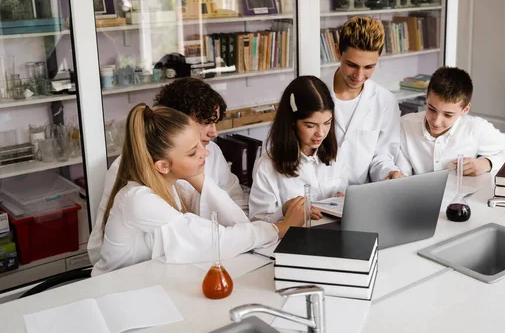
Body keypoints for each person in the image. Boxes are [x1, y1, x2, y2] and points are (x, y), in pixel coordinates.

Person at [91, 104, 305, 276]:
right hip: (111, 292)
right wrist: (280, 228)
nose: (206, 153)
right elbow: (216, 239)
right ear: (163, 165)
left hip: (144, 283)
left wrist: (199, 178)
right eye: (193, 152)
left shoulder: (171, 184)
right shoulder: (138, 199)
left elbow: (238, 223)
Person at [88, 78, 247, 266]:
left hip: (204, 257)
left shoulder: (211, 153)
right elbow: (99, 251)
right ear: (176, 123)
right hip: (148, 271)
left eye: (216, 122)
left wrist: (200, 181)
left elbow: (237, 208)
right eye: (205, 122)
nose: (214, 132)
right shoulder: (131, 172)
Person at [395, 66, 505, 176]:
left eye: (448, 115)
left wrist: (487, 163)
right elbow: (401, 176)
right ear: (426, 98)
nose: (436, 121)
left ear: (465, 110)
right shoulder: (405, 125)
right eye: (431, 109)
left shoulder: (475, 128)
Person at [249, 76, 347, 223]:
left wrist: (342, 199)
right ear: (292, 123)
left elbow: (343, 192)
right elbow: (258, 223)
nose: (320, 133)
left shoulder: (336, 154)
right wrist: (285, 210)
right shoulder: (266, 167)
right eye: (310, 125)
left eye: (327, 123)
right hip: (292, 240)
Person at [330, 16, 403, 185]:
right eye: (352, 65)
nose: (359, 75)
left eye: (369, 67)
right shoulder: (315, 94)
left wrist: (389, 172)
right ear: (337, 52)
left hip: (359, 198)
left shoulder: (385, 101)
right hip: (318, 200)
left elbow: (382, 156)